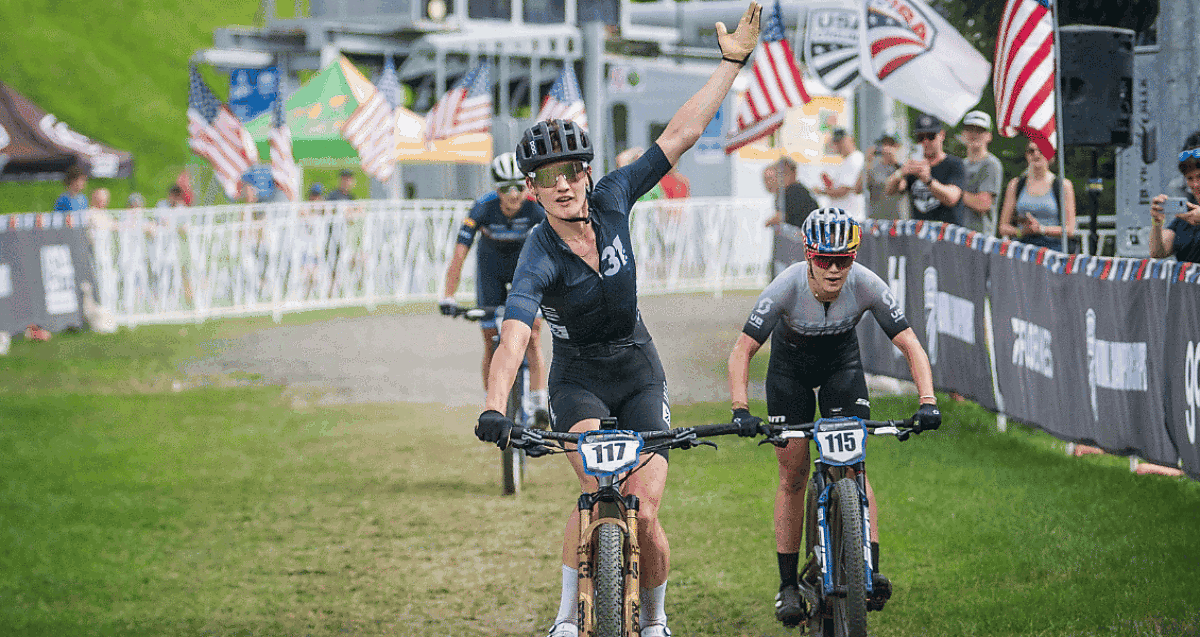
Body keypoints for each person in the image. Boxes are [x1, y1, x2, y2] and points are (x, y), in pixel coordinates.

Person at [472, 6, 762, 636]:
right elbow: (515, 337)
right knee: (598, 492)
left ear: (586, 172)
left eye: (571, 171)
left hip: (637, 369)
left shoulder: (612, 198)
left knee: (645, 509)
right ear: (534, 189)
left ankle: (655, 621)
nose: (563, 186)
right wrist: (496, 407)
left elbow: (680, 135)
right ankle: (565, 619)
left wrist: (730, 64)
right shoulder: (537, 254)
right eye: (547, 178)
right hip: (578, 378)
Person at [725, 208, 941, 627]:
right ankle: (788, 584)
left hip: (841, 368)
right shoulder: (785, 287)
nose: (834, 269)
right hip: (790, 374)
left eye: (844, 259)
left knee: (855, 465)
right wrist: (740, 409)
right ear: (809, 256)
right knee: (793, 473)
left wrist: (928, 401)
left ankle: (868, 569)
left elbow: (910, 344)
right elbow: (742, 351)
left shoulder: (867, 284)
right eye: (825, 259)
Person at [440, 152, 550, 414]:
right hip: (490, 269)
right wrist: (448, 296)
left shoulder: (536, 207)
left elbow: (556, 251)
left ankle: (538, 403)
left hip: (523, 269)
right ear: (496, 190)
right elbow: (460, 254)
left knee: (533, 336)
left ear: (527, 186)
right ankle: (493, 406)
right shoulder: (482, 208)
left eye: (519, 188)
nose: (513, 194)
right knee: (490, 340)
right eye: (505, 188)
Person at [885, 113, 966, 225]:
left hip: (946, 232)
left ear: (942, 135)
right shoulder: (914, 165)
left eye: (931, 136)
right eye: (920, 138)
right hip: (920, 232)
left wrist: (928, 181)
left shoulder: (954, 164)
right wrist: (901, 172)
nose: (925, 142)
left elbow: (952, 198)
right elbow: (889, 190)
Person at [998, 140, 1077, 250]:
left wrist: (1041, 229)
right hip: (1022, 248)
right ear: (1026, 155)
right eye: (1031, 151)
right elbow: (1003, 227)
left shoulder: (1063, 185)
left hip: (1052, 249)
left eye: (1041, 150)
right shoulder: (1015, 184)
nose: (1036, 154)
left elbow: (1070, 230)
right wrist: (1021, 232)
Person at [765, 156, 820, 277]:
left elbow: (782, 216)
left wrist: (769, 221)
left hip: (800, 242)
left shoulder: (793, 190)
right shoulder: (794, 190)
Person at [1148, 136, 1200, 263]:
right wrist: (1157, 223)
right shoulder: (1186, 216)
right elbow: (1157, 252)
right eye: (1190, 178)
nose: (1195, 184)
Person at [959, 110, 1005, 236]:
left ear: (989, 136)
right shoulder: (961, 164)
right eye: (970, 129)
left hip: (980, 239)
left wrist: (954, 193)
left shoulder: (991, 164)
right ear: (963, 134)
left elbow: (983, 204)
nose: (974, 134)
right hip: (959, 236)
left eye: (980, 130)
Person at [815, 128, 865, 221]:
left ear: (850, 139)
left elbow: (843, 191)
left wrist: (822, 191)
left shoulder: (854, 159)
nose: (839, 145)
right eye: (836, 142)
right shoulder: (847, 160)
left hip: (850, 217)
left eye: (841, 141)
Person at [863, 135, 905, 220]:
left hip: (895, 219)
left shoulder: (902, 168)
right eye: (885, 144)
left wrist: (896, 162)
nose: (887, 148)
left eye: (891, 145)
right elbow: (860, 188)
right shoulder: (873, 167)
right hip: (876, 218)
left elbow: (902, 187)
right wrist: (868, 161)